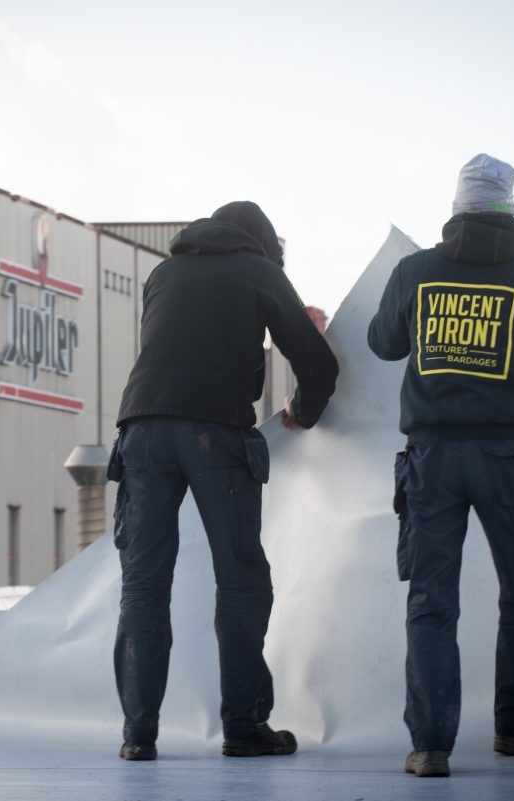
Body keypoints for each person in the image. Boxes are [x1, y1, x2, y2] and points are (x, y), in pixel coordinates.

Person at [367, 154, 514, 778]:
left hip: (430, 461)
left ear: (455, 209)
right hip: (506, 460)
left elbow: (383, 343)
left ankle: (429, 746)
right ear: (509, 211)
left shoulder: (416, 272)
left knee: (430, 599)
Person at [108, 200, 339, 761]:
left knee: (143, 585)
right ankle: (244, 725)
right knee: (240, 580)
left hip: (140, 429)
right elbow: (318, 365)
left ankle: (138, 735)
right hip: (213, 432)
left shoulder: (163, 273)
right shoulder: (258, 269)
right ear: (262, 243)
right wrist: (300, 413)